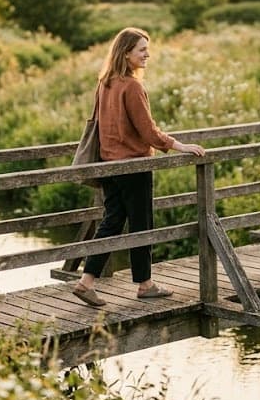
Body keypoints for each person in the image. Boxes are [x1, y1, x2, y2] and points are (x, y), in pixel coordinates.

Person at [72, 27, 206, 307]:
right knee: (141, 224)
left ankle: (86, 282)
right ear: (126, 53)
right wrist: (177, 145)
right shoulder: (131, 86)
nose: (148, 54)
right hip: (133, 166)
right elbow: (147, 130)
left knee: (111, 221)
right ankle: (145, 285)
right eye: (142, 50)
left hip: (109, 165)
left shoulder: (105, 82)